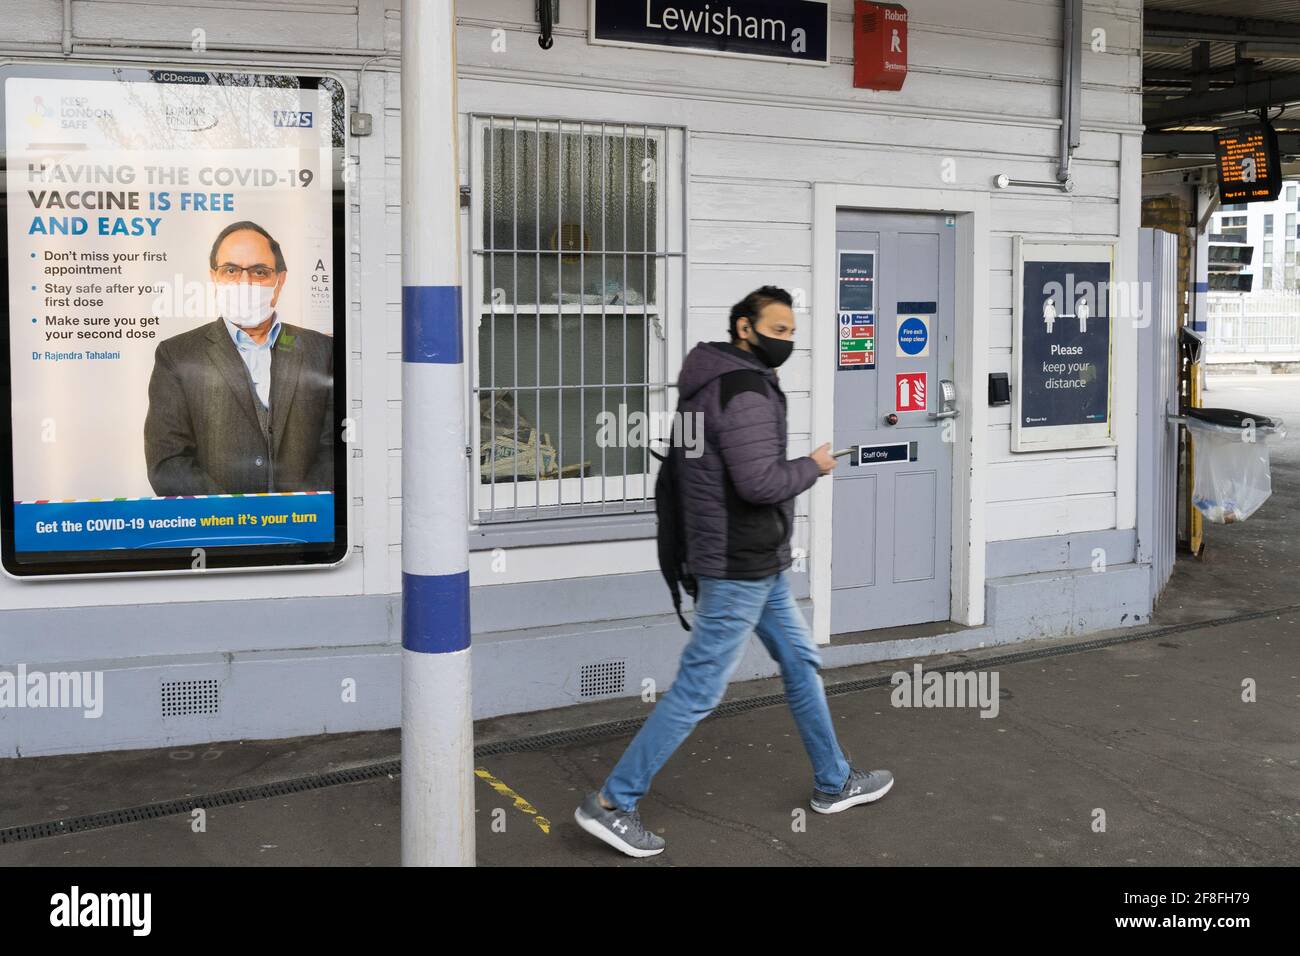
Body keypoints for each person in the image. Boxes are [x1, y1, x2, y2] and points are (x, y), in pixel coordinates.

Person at [574, 285, 893, 858]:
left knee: (800, 662)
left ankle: (834, 780)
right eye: (776, 330)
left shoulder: (708, 383)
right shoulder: (743, 391)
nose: (786, 340)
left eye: (792, 331)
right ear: (744, 328)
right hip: (738, 566)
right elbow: (758, 483)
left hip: (749, 561)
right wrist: (814, 467)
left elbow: (704, 479)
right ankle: (613, 803)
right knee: (698, 689)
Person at [143, 220, 334, 496]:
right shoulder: (177, 354)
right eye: (231, 270)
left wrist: (297, 512)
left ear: (280, 281)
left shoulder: (321, 350)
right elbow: (168, 461)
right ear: (214, 278)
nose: (244, 282)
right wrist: (232, 515)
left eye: (259, 272)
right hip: (222, 532)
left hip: (302, 531)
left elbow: (333, 450)